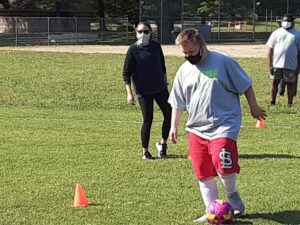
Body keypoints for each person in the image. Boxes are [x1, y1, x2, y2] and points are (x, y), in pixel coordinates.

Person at [168, 28, 267, 222]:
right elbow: (177, 101)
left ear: (201, 45)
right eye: (184, 53)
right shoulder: (184, 70)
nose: (188, 56)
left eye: (191, 52)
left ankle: (233, 197)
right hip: (196, 128)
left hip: (224, 125)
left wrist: (254, 107)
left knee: (223, 165)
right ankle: (210, 210)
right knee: (203, 173)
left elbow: (245, 85)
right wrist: (174, 126)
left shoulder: (223, 62)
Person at [122, 21, 171, 160]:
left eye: (146, 32)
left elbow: (162, 65)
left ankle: (162, 144)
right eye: (140, 32)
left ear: (150, 33)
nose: (143, 34)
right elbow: (126, 73)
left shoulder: (156, 47)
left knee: (169, 114)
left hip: (160, 88)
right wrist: (129, 93)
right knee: (147, 120)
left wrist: (164, 80)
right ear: (136, 33)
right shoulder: (133, 50)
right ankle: (145, 151)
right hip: (143, 90)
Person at [266, 14, 300, 107]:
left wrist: (298, 67)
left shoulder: (297, 34)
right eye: (284, 20)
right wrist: (270, 65)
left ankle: (290, 103)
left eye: (288, 21)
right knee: (274, 83)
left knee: (290, 84)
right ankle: (272, 103)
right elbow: (270, 50)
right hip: (277, 64)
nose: (286, 22)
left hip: (291, 65)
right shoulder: (276, 33)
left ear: (292, 22)